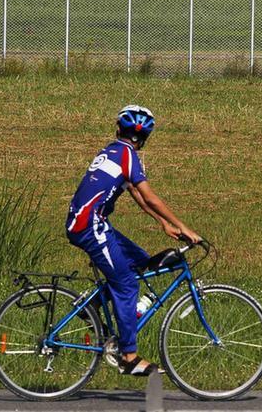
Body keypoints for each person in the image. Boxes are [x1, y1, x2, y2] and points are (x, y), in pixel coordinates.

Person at [65, 105, 202, 376]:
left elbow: (138, 197)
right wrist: (183, 227)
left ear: (118, 128)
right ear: (146, 137)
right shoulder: (127, 155)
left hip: (91, 222)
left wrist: (164, 223)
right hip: (90, 226)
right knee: (127, 285)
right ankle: (129, 356)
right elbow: (149, 197)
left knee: (142, 262)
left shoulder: (114, 151)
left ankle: (92, 305)